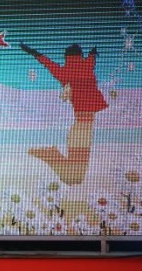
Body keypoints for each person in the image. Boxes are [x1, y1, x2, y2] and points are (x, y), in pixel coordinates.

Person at [20, 42, 108, 185]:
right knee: (75, 178)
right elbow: (91, 59)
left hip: (81, 129)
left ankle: (50, 154)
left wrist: (33, 52)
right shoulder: (87, 66)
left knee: (74, 177)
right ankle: (50, 155)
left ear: (66, 57)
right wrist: (92, 53)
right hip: (82, 130)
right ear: (80, 55)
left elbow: (48, 63)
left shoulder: (64, 73)